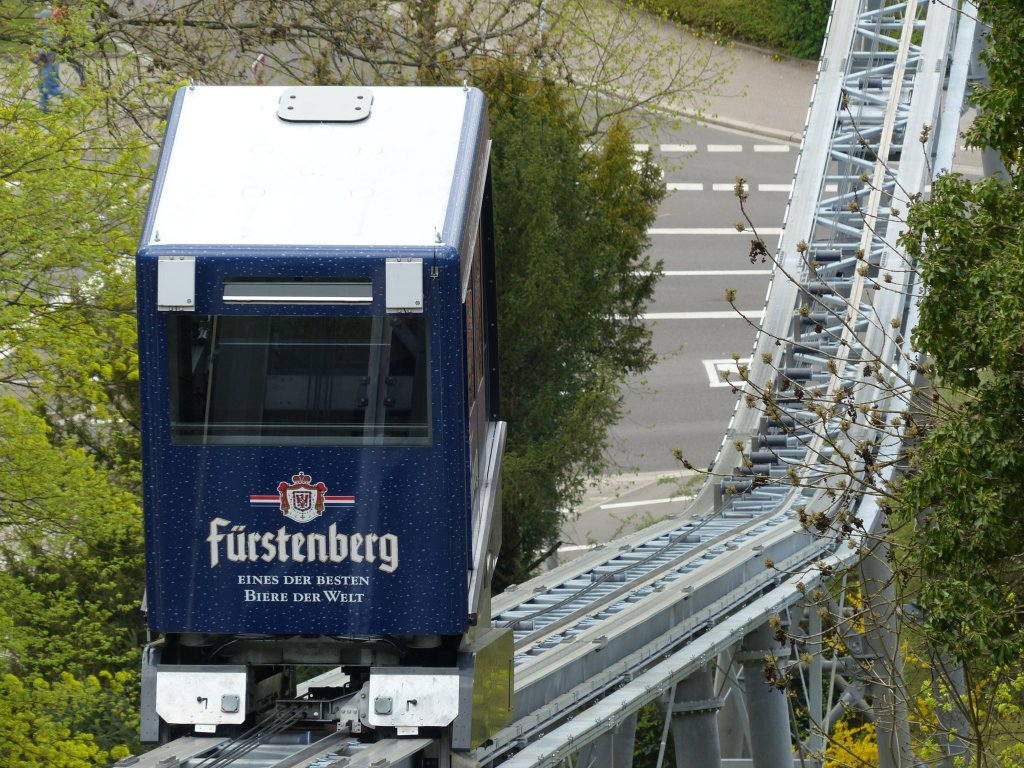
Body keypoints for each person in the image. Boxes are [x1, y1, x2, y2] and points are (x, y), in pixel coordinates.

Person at [30, 8, 63, 111]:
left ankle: (75, 100)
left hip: (49, 64)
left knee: (51, 88)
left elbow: (47, 50)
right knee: (42, 88)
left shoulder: (48, 32)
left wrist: (37, 59)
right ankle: (42, 107)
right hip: (43, 64)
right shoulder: (43, 32)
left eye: (40, 18)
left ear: (47, 20)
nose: (37, 21)